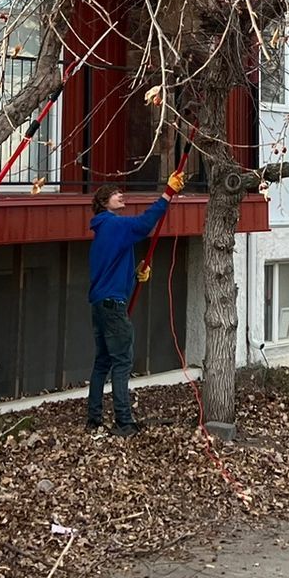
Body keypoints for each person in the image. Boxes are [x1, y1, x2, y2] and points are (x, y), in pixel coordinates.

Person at [86, 170, 184, 434]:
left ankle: (94, 418)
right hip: (113, 307)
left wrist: (135, 273)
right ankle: (124, 422)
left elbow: (108, 269)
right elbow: (144, 224)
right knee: (121, 363)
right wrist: (167, 194)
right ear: (105, 201)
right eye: (117, 194)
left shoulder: (103, 230)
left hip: (100, 305)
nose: (122, 196)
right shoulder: (114, 225)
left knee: (103, 362)